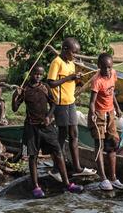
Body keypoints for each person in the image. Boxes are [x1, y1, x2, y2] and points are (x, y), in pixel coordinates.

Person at [11, 65, 83, 198]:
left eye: (40, 74)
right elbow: (15, 108)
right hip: (31, 127)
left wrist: (49, 116)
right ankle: (36, 186)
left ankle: (67, 184)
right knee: (32, 156)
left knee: (57, 151)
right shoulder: (25, 89)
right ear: (31, 73)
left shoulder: (45, 87)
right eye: (36, 74)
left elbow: (53, 103)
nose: (38, 76)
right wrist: (15, 96)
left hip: (46, 126)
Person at [47, 37, 95, 177]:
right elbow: (51, 83)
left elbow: (71, 81)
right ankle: (56, 168)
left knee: (74, 134)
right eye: (73, 52)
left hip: (70, 102)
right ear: (65, 49)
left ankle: (77, 168)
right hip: (60, 104)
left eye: (76, 53)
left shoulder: (71, 63)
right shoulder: (57, 62)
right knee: (62, 135)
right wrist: (69, 78)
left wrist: (77, 80)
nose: (75, 55)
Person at [89, 53, 123, 191]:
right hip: (99, 114)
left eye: (109, 67)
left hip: (110, 113)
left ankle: (113, 177)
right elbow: (92, 102)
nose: (107, 70)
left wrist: (117, 107)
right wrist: (92, 114)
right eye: (104, 67)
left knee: (113, 144)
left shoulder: (113, 74)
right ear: (99, 66)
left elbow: (112, 93)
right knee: (99, 145)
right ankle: (103, 178)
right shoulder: (97, 80)